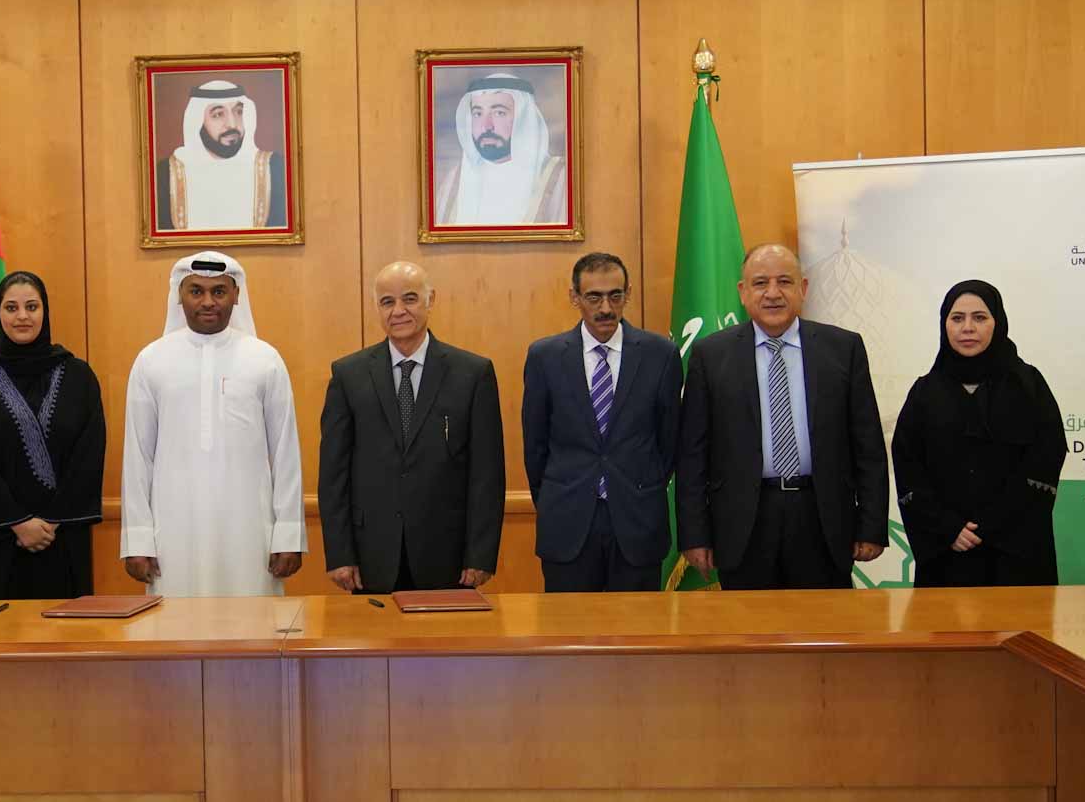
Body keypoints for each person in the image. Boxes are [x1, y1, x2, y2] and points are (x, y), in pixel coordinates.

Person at [676, 244, 888, 590]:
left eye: (784, 282)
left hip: (821, 516)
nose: (773, 293)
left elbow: (867, 446)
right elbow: (692, 455)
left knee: (825, 631)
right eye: (760, 283)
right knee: (749, 633)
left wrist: (871, 524)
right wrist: (695, 534)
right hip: (743, 521)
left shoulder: (843, 349)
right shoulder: (710, 355)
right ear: (743, 293)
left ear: (802, 289)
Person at [121, 251, 305, 597]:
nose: (208, 302)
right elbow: (137, 459)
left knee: (255, 633)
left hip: (250, 533)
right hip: (172, 535)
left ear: (236, 295)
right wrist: (138, 540)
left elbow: (285, 455)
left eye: (219, 291)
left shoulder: (265, 360)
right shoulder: (151, 361)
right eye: (196, 291)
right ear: (180, 295)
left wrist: (288, 535)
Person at [320, 261, 505, 593]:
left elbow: (487, 475)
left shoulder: (473, 374)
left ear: (431, 300)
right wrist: (339, 554)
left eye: (410, 299)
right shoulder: (349, 375)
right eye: (387, 302)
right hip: (370, 554)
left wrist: (480, 555)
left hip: (447, 555)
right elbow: (333, 474)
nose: (399, 311)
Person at [521, 253, 683, 591]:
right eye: (594, 297)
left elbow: (668, 442)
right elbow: (535, 446)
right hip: (567, 523)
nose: (606, 308)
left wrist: (638, 485)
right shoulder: (545, 357)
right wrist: (560, 495)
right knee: (568, 633)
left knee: (638, 635)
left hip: (638, 521)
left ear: (628, 294)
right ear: (575, 298)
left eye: (615, 295)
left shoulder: (660, 355)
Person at [892, 281, 1066, 587]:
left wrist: (990, 526)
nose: (967, 328)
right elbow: (909, 467)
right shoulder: (925, 392)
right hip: (946, 552)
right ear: (944, 324)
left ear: (997, 323)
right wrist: (948, 528)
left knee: (1022, 634)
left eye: (979, 318)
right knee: (948, 635)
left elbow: (1045, 460)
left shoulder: (1028, 386)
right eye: (957, 318)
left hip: (1017, 553)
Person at [0, 272, 105, 600]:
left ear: (45, 312)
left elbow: (88, 456)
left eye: (31, 306)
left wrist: (50, 520)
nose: (22, 316)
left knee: (65, 639)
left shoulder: (80, 377)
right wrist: (18, 522)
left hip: (62, 540)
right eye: (11, 307)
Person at [434, 73, 569, 226]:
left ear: (523, 119)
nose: (486, 125)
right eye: (478, 113)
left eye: (499, 113)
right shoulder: (454, 181)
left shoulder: (558, 178)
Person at [155, 80, 288, 231]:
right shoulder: (165, 175)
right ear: (197, 122)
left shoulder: (275, 168)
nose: (232, 124)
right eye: (218, 114)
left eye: (239, 112)